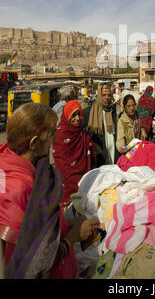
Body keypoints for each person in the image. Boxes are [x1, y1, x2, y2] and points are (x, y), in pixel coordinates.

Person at [0, 103, 100, 279]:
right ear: (34, 143)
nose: (55, 139)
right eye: (51, 135)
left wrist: (66, 224)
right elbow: (34, 264)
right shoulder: (24, 189)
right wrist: (74, 236)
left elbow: (34, 228)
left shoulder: (8, 165)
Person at [53, 100, 97, 210]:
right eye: (73, 115)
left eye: (79, 114)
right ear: (67, 116)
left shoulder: (82, 133)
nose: (77, 118)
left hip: (83, 179)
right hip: (68, 182)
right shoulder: (60, 135)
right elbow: (62, 164)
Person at [84, 83, 118, 166]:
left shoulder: (114, 110)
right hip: (100, 154)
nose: (106, 97)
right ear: (99, 95)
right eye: (104, 95)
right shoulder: (90, 111)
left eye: (109, 95)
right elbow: (83, 133)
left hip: (114, 151)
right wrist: (93, 144)